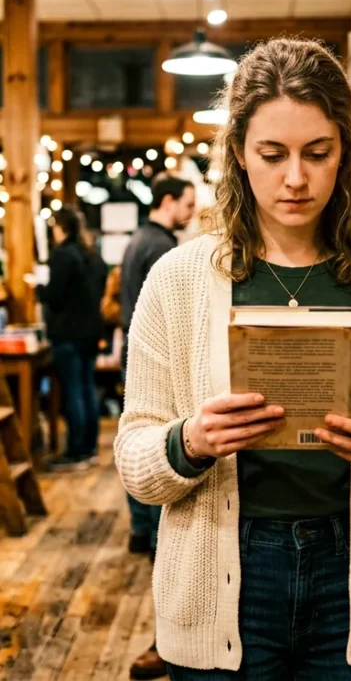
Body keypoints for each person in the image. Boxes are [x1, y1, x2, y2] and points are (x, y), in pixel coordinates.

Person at [115, 38, 351, 681]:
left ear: (343, 154)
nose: (294, 178)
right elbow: (135, 459)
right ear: (239, 153)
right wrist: (189, 441)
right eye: (272, 154)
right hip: (221, 578)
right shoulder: (177, 280)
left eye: (317, 154)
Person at [120, 172, 195, 681]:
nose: (192, 211)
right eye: (187, 203)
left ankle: (141, 531)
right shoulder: (166, 255)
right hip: (156, 373)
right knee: (161, 517)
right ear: (168, 202)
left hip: (135, 356)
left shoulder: (137, 242)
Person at [36, 206, 107, 471]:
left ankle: (76, 450)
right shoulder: (91, 256)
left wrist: (37, 288)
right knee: (87, 388)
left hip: (68, 333)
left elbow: (54, 295)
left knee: (74, 390)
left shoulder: (63, 255)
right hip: (90, 332)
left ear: (61, 228)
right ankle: (88, 448)